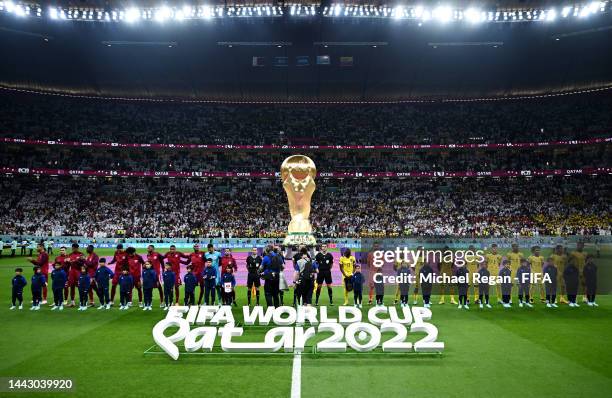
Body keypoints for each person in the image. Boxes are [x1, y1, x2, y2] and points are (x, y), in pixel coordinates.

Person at [66, 243, 85, 308]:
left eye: (74, 248)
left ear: (77, 248)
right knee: (72, 286)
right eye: (72, 248)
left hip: (78, 271)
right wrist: (67, 261)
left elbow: (83, 263)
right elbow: (68, 264)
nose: (73, 249)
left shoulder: (81, 254)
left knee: (80, 286)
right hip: (72, 271)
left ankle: (81, 301)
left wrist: (75, 261)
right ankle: (72, 302)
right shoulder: (70, 254)